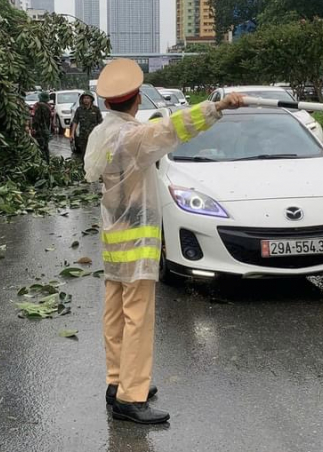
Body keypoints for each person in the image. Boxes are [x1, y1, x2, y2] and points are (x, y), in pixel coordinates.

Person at [83, 59, 245, 425]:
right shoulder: (136, 137)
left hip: (112, 239)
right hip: (138, 242)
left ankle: (116, 381)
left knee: (115, 314)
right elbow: (176, 127)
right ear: (137, 98)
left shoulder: (101, 133)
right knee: (138, 318)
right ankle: (131, 396)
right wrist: (217, 106)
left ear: (108, 103)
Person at [70, 91, 103, 160]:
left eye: (88, 98)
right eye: (84, 98)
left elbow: (100, 122)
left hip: (94, 136)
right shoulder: (79, 110)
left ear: (91, 99)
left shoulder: (96, 109)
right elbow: (75, 121)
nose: (86, 100)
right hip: (83, 137)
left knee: (94, 155)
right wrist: (72, 134)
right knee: (84, 155)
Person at [30, 92, 52, 162]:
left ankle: (43, 162)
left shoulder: (40, 107)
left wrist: (34, 128)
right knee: (45, 147)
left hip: (40, 131)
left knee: (41, 148)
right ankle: (47, 162)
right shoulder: (48, 107)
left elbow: (37, 120)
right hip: (46, 131)